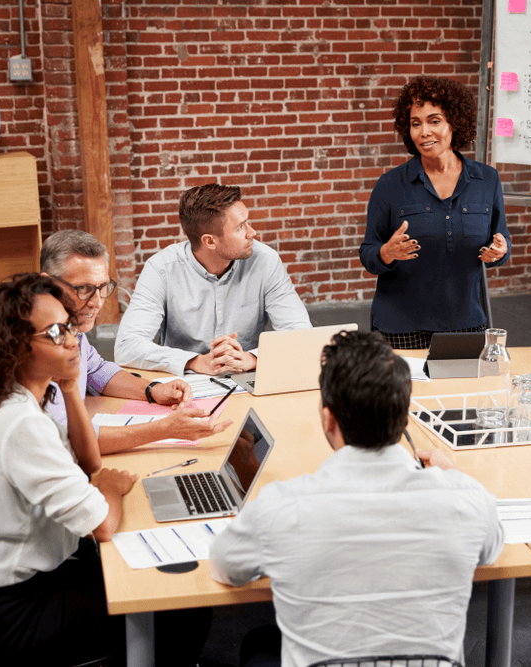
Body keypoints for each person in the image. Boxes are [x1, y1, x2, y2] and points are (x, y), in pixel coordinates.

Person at [0, 274, 210, 666]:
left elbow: (88, 463)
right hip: (6, 612)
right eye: (53, 332)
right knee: (178, 608)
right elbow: (100, 523)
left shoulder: (9, 397)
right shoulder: (19, 422)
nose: (70, 340)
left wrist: (69, 388)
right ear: (13, 347)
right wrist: (112, 489)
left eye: (67, 327)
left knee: (149, 581)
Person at [209, 330, 504, 667]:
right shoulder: (464, 500)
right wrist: (452, 474)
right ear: (403, 418)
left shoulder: (282, 506)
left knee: (260, 643)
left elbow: (225, 565)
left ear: (328, 417)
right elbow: (491, 546)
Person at [41, 230, 234, 454]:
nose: (97, 303)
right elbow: (64, 441)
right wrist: (164, 429)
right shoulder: (41, 349)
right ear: (47, 285)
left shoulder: (71, 329)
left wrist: (153, 390)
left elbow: (97, 371)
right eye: (84, 289)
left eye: (103, 288)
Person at [359, 75, 511, 349]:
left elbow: (501, 242)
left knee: (464, 393)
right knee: (405, 393)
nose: (424, 131)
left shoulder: (487, 180)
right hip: (400, 326)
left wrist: (499, 251)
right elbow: (368, 252)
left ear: (455, 121)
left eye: (434, 120)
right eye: (415, 124)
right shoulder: (391, 185)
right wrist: (386, 253)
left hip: (466, 323)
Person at [115, 183, 312, 375]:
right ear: (210, 241)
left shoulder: (265, 261)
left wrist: (253, 359)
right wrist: (196, 362)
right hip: (185, 379)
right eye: (240, 227)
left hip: (246, 375)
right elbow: (126, 347)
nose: (252, 233)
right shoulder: (161, 269)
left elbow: (302, 336)